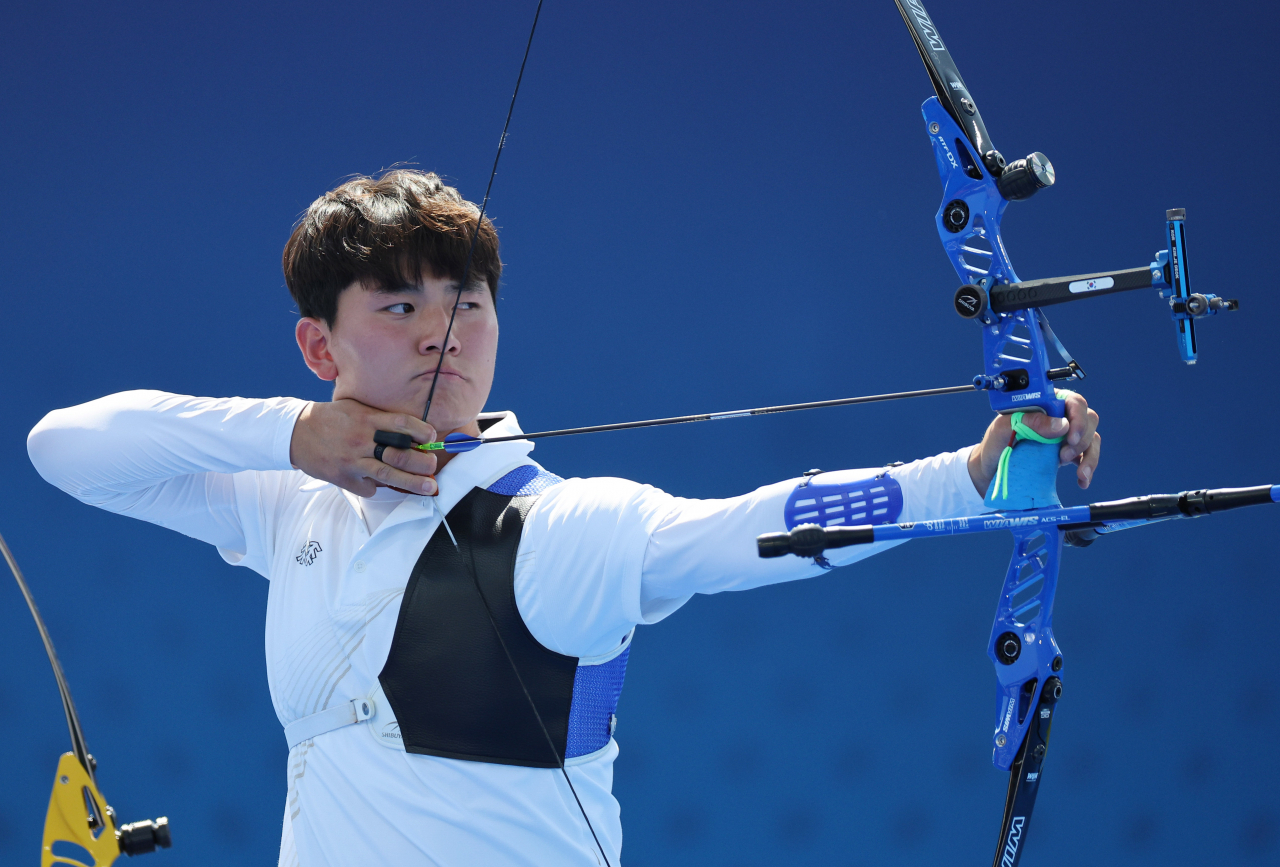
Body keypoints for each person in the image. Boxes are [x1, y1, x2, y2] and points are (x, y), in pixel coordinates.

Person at [26, 169, 1100, 866]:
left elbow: (755, 528)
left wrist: (969, 476)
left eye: (468, 302)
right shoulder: (294, 508)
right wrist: (292, 435)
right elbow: (65, 449)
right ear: (321, 349)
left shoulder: (561, 532)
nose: (443, 333)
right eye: (399, 306)